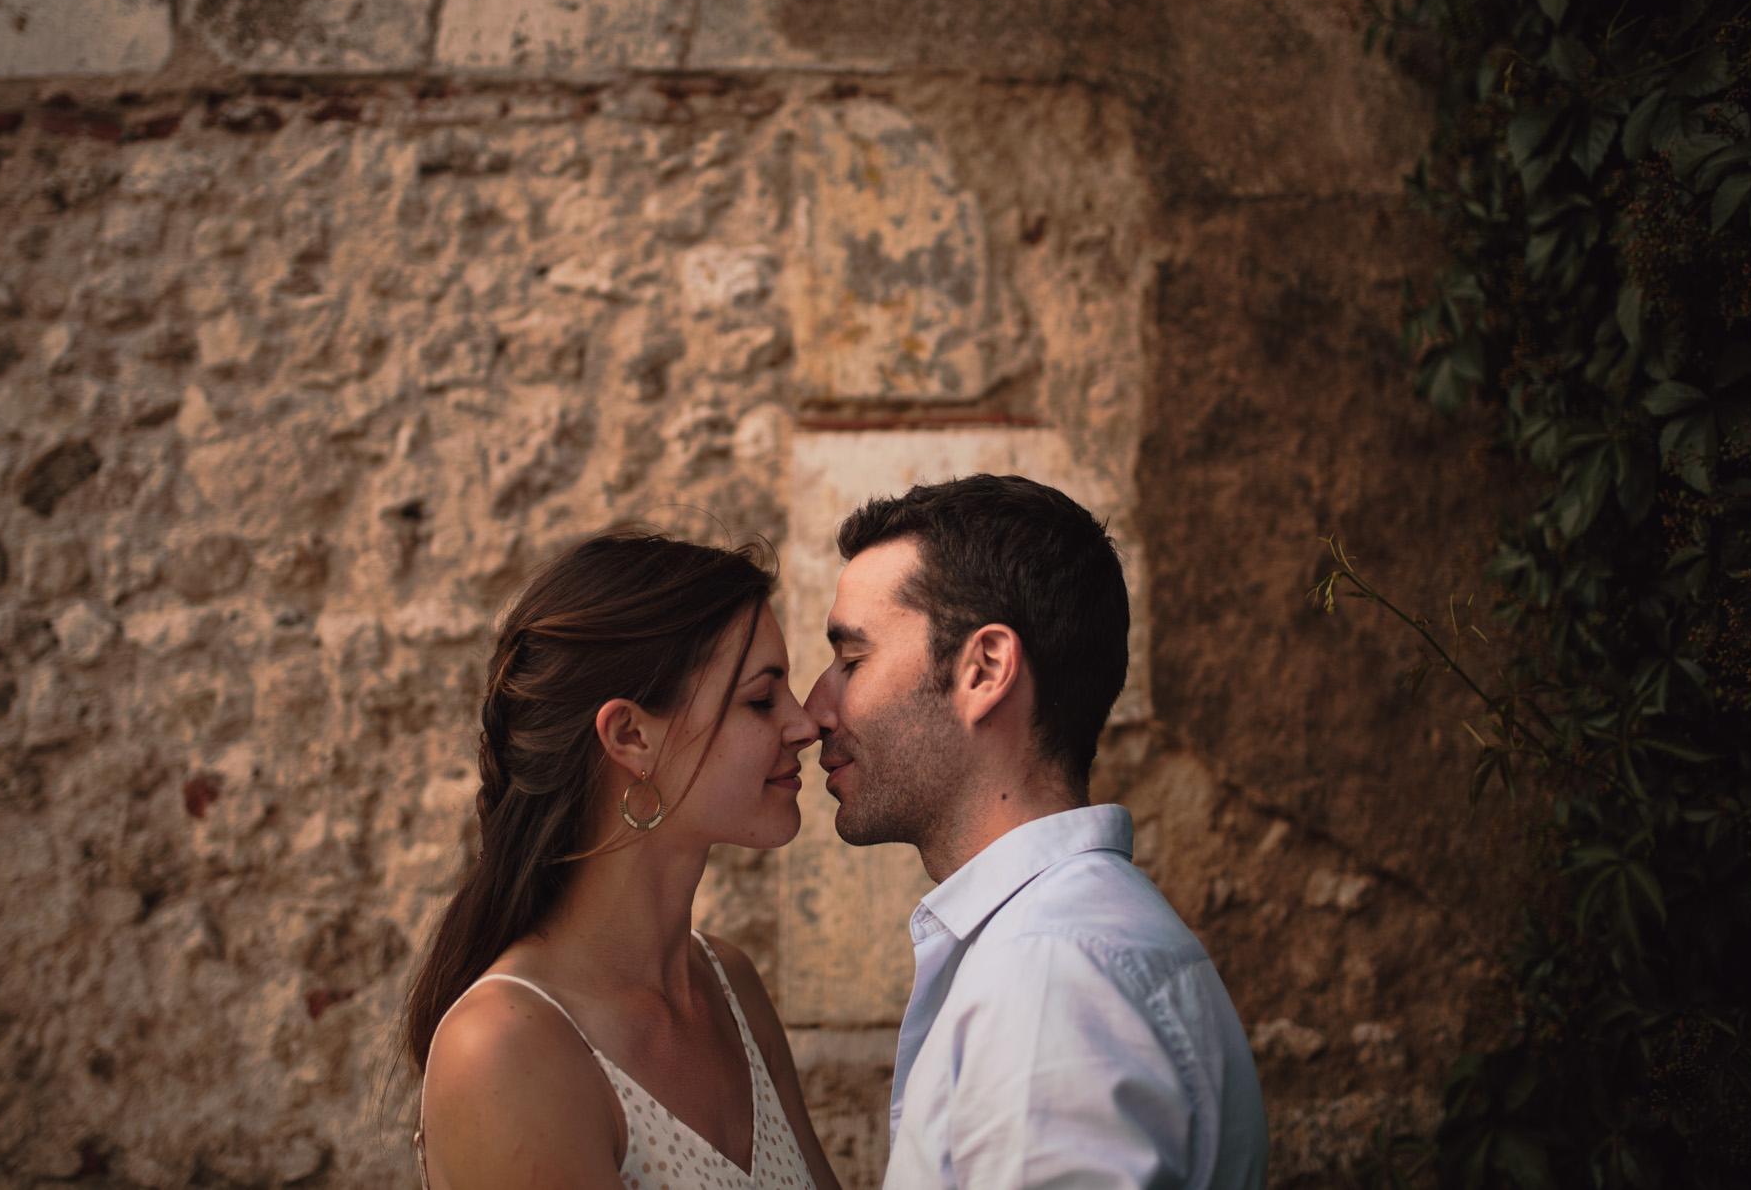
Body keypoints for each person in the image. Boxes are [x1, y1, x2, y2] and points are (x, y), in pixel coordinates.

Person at [803, 475, 1267, 1189]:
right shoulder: (1071, 943)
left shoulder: (1049, 976)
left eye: (853, 660)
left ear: (984, 668)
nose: (815, 709)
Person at [406, 529, 841, 1190]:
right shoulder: (504, 1048)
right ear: (631, 736)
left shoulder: (731, 986)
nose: (804, 724)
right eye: (759, 698)